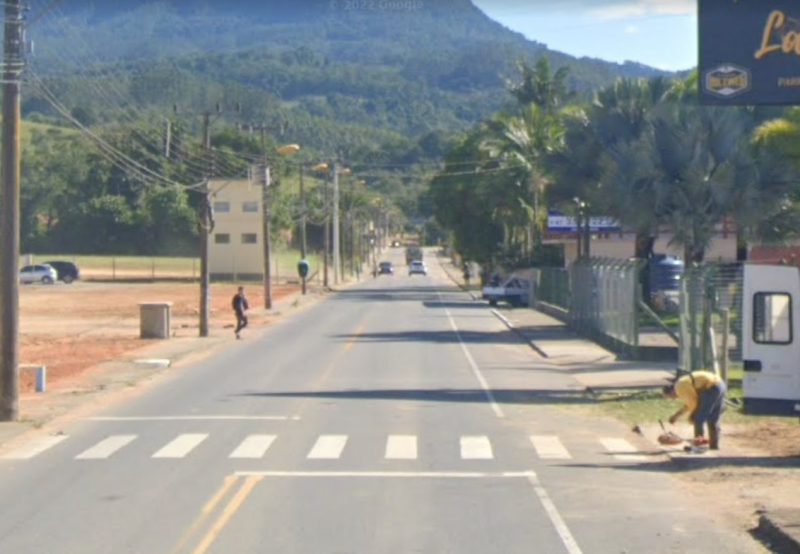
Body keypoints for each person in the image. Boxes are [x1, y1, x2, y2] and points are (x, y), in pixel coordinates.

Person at [663, 370, 727, 450]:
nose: (673, 399)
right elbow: (690, 405)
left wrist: (691, 417)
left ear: (671, 392)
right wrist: (676, 415)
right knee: (713, 419)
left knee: (698, 418)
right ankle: (714, 446)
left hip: (711, 388)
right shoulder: (681, 384)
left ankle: (699, 446)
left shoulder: (679, 388)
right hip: (720, 385)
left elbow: (694, 404)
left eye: (670, 397)